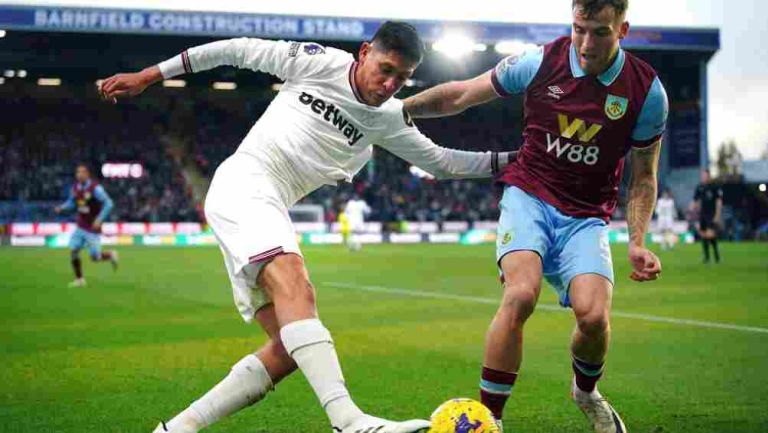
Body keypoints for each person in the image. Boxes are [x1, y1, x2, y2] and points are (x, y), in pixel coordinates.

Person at [99, 21, 513, 433]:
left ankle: (177, 428)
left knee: (288, 348)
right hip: (245, 183)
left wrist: (517, 160)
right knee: (297, 285)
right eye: (386, 69)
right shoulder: (318, 62)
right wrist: (151, 75)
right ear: (364, 52)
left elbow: (441, 163)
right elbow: (236, 49)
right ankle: (348, 422)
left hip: (267, 205)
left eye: (402, 79)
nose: (390, 85)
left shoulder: (388, 117)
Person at [403, 1, 668, 432]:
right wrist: (398, 110)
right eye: (579, 28)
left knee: (594, 318)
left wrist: (637, 241)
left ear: (623, 29)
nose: (585, 43)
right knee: (521, 293)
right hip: (529, 195)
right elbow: (463, 94)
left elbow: (644, 176)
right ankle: (491, 420)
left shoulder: (646, 91)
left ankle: (586, 392)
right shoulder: (539, 61)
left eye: (599, 32)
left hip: (586, 215)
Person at [54, 164, 119, 287]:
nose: (79, 175)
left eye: (82, 172)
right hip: (80, 225)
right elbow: (72, 203)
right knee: (73, 251)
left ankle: (110, 255)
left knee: (95, 257)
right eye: (77, 172)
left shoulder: (95, 188)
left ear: (87, 174)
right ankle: (80, 280)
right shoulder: (75, 188)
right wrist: (62, 208)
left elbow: (109, 203)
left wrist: (99, 219)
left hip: (92, 227)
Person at [692, 169, 723, 263]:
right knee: (703, 235)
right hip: (703, 215)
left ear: (709, 176)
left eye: (705, 176)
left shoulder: (714, 187)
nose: (703, 177)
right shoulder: (699, 187)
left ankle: (717, 256)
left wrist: (717, 215)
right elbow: (695, 201)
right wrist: (692, 209)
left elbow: (719, 202)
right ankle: (707, 257)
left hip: (712, 214)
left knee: (710, 235)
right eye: (702, 176)